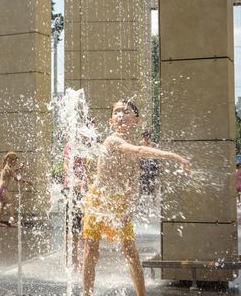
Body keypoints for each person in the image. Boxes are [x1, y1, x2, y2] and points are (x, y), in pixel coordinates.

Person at [81, 100, 191, 296]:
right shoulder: (112, 141)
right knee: (91, 250)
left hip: (118, 201)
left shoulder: (129, 147)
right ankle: (86, 294)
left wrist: (128, 206)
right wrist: (175, 157)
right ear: (110, 121)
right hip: (98, 199)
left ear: (136, 120)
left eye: (126, 112)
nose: (121, 115)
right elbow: (140, 151)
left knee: (131, 253)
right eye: (116, 112)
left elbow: (133, 184)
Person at [62, 142, 90, 270]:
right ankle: (72, 260)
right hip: (72, 188)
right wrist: (75, 179)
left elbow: (86, 167)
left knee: (83, 225)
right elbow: (66, 165)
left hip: (83, 188)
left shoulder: (86, 144)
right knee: (73, 227)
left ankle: (79, 259)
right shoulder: (71, 144)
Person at [0, 151, 32, 227]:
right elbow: (17, 178)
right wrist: (28, 181)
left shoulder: (6, 167)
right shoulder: (8, 168)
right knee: (11, 204)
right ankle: (12, 222)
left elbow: (11, 173)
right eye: (16, 160)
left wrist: (18, 169)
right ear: (12, 160)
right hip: (3, 189)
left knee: (2, 205)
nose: (16, 162)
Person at [139, 130, 160, 198]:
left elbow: (157, 156)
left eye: (147, 136)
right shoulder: (139, 144)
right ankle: (142, 195)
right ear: (142, 136)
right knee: (142, 180)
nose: (146, 137)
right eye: (144, 136)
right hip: (143, 163)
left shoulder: (153, 144)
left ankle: (153, 196)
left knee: (153, 182)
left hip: (151, 163)